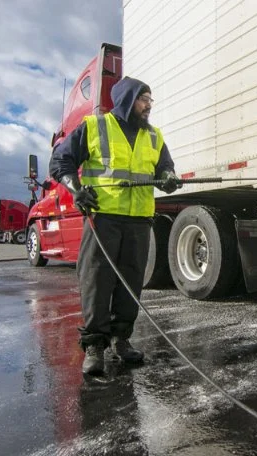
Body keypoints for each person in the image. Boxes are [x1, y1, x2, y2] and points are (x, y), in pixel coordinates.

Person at [49, 77, 181, 377]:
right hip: (103, 217)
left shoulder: (154, 136)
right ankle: (95, 346)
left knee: (131, 281)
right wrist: (76, 189)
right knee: (97, 280)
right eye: (143, 98)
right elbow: (60, 162)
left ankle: (121, 340)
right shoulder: (94, 127)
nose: (148, 105)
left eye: (150, 100)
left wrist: (170, 177)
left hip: (138, 220)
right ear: (127, 99)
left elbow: (165, 168)